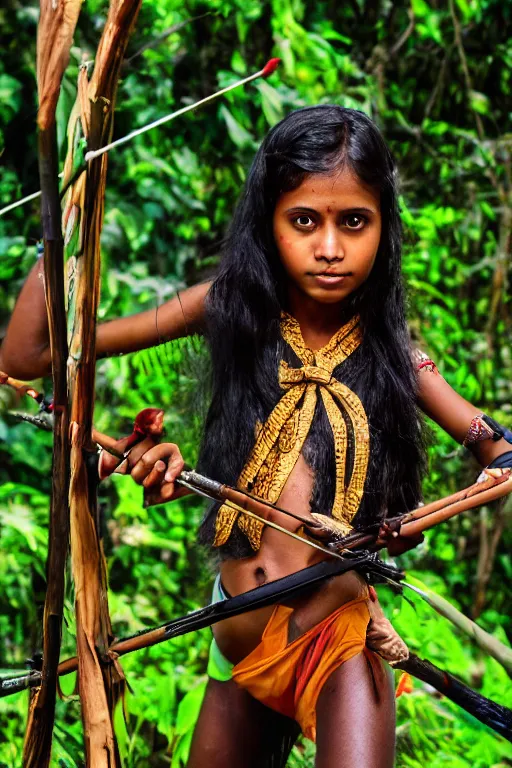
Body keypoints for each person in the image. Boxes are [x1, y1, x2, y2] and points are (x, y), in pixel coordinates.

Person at [1, 106, 510, 768]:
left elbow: (500, 452)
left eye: (354, 222)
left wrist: (426, 515)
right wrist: (59, 232)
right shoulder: (229, 312)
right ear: (270, 224)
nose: (330, 247)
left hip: (338, 641)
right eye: (305, 221)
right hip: (234, 636)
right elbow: (29, 358)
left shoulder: (395, 358)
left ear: (384, 228)